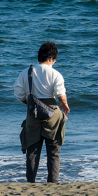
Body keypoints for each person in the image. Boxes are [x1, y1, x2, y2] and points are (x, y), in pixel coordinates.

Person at [13, 42, 70, 183]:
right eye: (55, 60)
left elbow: (19, 93)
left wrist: (30, 104)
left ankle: (31, 182)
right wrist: (65, 104)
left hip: (33, 115)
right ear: (51, 58)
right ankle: (52, 183)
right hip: (52, 115)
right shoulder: (55, 74)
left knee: (32, 152)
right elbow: (60, 94)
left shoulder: (26, 72)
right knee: (53, 153)